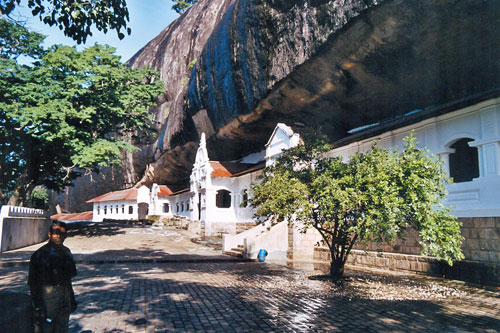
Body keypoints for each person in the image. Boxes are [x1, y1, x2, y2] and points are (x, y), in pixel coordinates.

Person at [28, 221, 77, 333]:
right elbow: (32, 282)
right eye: (55, 233)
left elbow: (68, 278)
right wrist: (37, 304)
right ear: (49, 234)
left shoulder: (66, 252)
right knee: (46, 327)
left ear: (66, 235)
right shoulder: (39, 254)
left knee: (62, 326)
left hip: (64, 294)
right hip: (47, 296)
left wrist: (71, 298)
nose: (58, 236)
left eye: (62, 233)